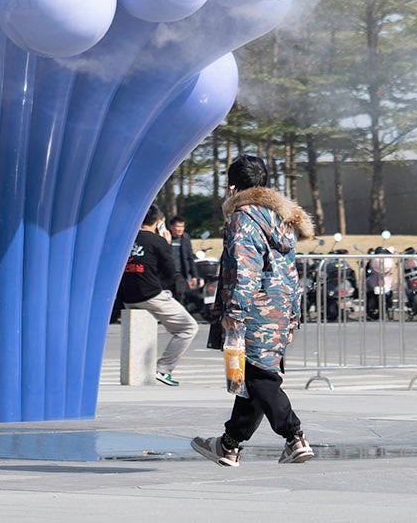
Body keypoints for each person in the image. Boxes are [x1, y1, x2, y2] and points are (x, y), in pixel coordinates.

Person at [191, 151, 316, 469]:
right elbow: (289, 271)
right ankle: (229, 445)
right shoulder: (281, 218)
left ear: (232, 187)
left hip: (254, 310)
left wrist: (234, 312)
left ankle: (295, 436)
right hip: (280, 308)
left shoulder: (243, 217)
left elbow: (244, 269)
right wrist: (292, 315)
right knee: (252, 377)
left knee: (260, 378)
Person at [118, 200, 198, 385]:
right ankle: (163, 369)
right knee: (188, 328)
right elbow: (170, 272)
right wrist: (166, 244)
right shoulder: (158, 241)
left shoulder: (125, 239)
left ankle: (141, 370)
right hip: (151, 295)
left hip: (127, 297)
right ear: (159, 221)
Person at [167, 213, 198, 298]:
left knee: (180, 295)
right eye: (178, 226)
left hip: (181, 274)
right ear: (171, 227)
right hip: (167, 274)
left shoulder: (185, 238)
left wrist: (194, 276)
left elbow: (190, 257)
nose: (180, 229)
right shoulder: (165, 237)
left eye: (182, 226)